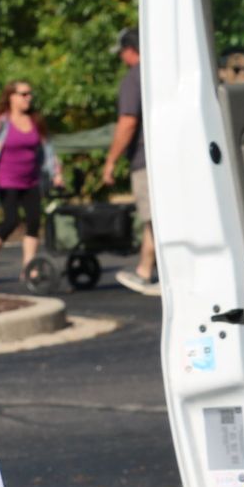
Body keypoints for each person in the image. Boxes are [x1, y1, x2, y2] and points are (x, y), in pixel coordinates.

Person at [0, 79, 63, 285]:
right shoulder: (1, 122)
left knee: (34, 221)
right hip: (6, 179)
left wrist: (56, 173)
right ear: (11, 97)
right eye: (23, 94)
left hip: (31, 179)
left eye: (30, 94)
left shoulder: (36, 121)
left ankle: (29, 268)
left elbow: (48, 150)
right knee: (10, 221)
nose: (28, 98)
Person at [100, 27, 158, 295]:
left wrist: (111, 161)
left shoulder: (134, 79)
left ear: (129, 50)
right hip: (170, 154)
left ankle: (145, 272)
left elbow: (128, 122)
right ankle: (146, 270)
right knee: (159, 218)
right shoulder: (164, 72)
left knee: (153, 218)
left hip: (147, 159)